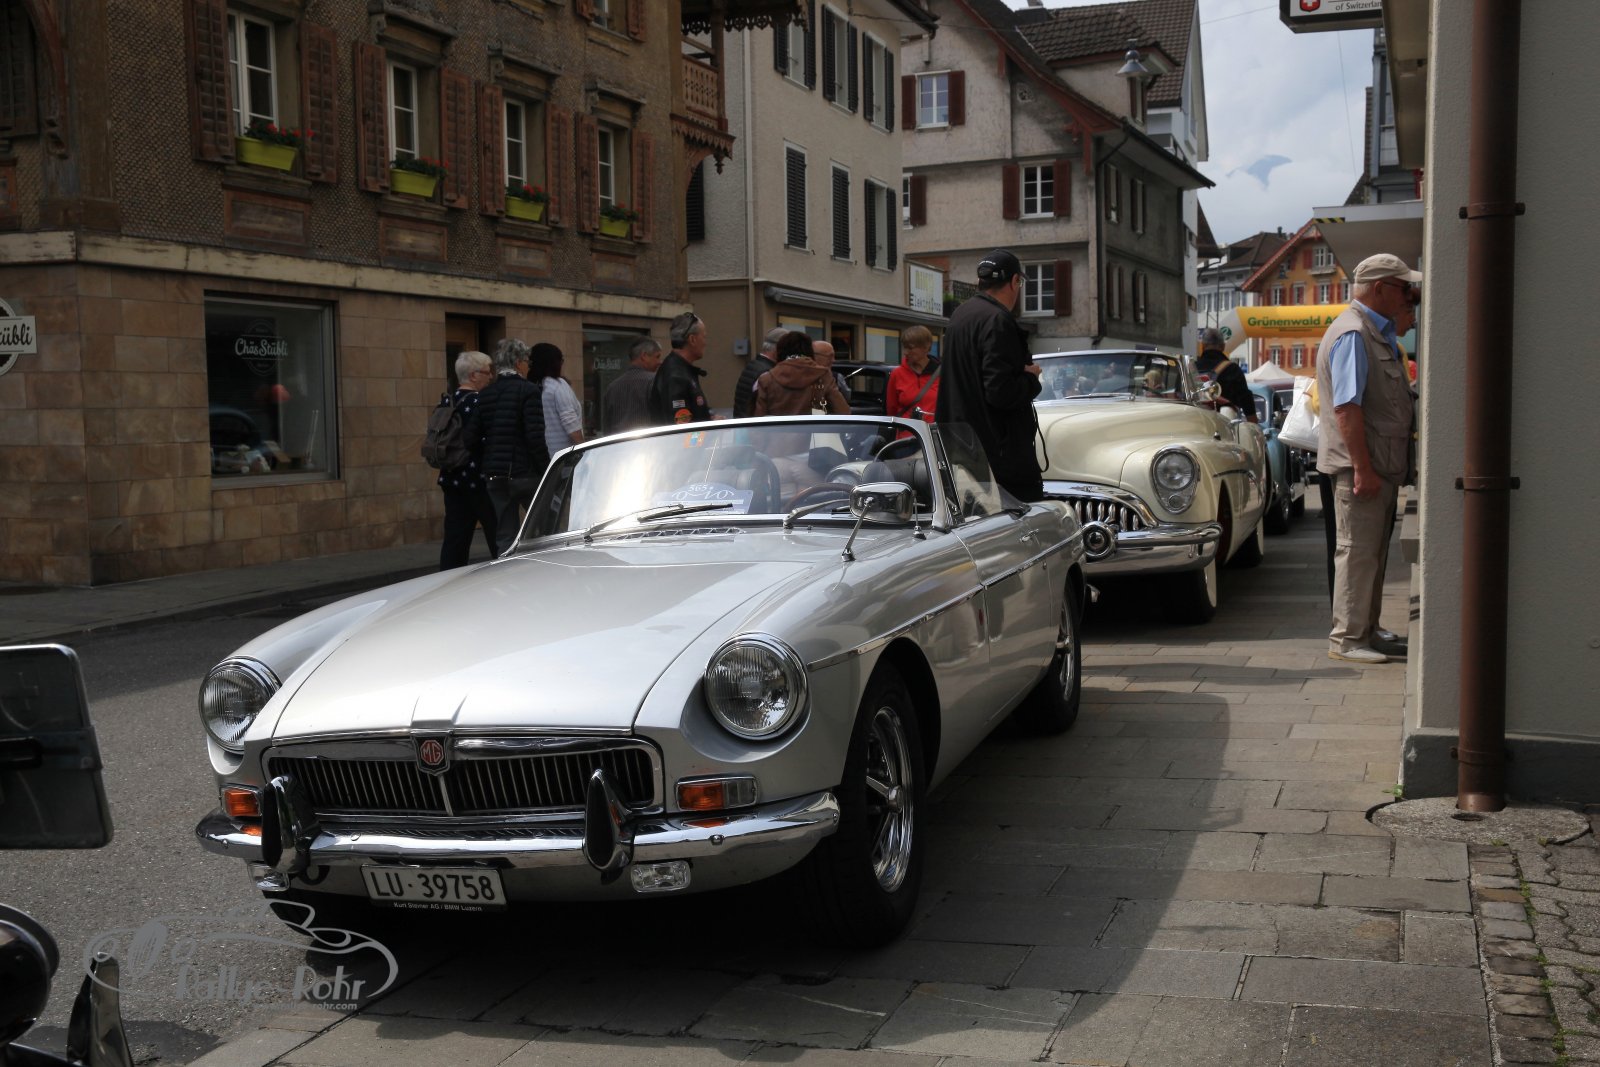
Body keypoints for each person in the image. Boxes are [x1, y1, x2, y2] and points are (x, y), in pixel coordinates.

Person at [1315, 252, 1421, 664]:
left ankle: (1366, 629)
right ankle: (1347, 639)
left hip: (1376, 465)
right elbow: (1347, 408)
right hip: (1363, 467)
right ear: (1380, 289)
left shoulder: (1371, 332)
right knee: (1357, 552)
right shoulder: (1354, 334)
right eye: (1404, 288)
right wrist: (1361, 468)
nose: (1408, 296)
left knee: (1370, 553)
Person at [933, 248, 1043, 502]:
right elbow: (1000, 392)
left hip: (961, 448)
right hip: (998, 459)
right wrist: (1031, 378)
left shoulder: (960, 315)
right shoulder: (997, 320)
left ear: (980, 281)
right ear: (1014, 281)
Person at [465, 338, 548, 542]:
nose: (529, 366)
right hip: (525, 473)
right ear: (518, 363)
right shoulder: (529, 390)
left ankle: (508, 562)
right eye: (527, 362)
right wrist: (546, 469)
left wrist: (488, 460)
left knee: (505, 533)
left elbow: (470, 438)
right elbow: (535, 437)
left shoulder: (485, 394)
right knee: (545, 528)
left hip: (495, 475)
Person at [435, 350, 498, 570]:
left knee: (455, 540)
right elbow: (488, 439)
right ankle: (509, 579)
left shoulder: (447, 401)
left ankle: (448, 581)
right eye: (487, 372)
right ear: (473, 375)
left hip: (451, 478)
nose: (491, 377)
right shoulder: (480, 402)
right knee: (497, 534)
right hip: (478, 479)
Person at [752, 331, 849, 416]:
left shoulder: (767, 378)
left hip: (777, 431)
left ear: (779, 352)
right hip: (813, 430)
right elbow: (843, 411)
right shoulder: (823, 375)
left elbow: (759, 417)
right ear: (810, 351)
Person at [648, 311, 712, 425]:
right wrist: (708, 425)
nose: (705, 343)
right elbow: (680, 427)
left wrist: (710, 420)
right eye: (704, 337)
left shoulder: (680, 370)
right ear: (692, 339)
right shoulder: (676, 376)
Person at [529, 342, 583, 457]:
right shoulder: (558, 386)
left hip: (541, 455)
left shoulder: (531, 386)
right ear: (554, 363)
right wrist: (584, 450)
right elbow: (570, 422)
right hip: (564, 456)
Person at [601, 336, 662, 434]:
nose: (660, 362)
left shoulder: (612, 387)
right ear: (644, 356)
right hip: (649, 440)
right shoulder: (655, 380)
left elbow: (607, 426)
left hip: (617, 441)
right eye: (657, 357)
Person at [1195, 327, 1258, 422]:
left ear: (1203, 346)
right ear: (1223, 346)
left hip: (1195, 422)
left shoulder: (1190, 368)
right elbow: (1246, 399)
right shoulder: (1232, 369)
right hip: (1224, 425)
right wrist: (1253, 423)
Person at [886, 325, 939, 422]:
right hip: (905, 430)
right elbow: (891, 410)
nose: (905, 352)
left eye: (910, 348)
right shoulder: (897, 374)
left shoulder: (941, 374)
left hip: (932, 430)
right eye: (904, 347)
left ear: (926, 347)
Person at [733, 327, 786, 419]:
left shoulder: (754, 365)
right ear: (777, 349)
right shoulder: (767, 373)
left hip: (743, 423)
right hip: (752, 425)